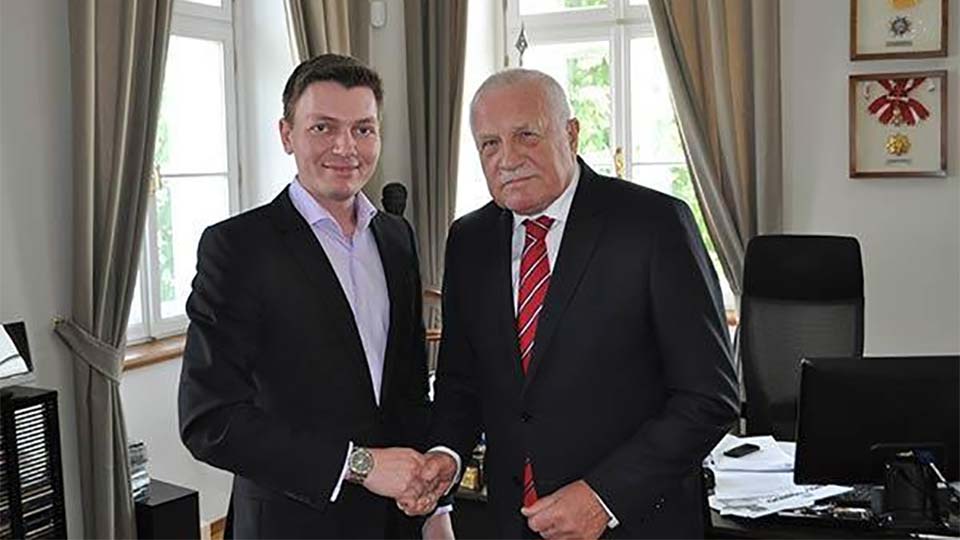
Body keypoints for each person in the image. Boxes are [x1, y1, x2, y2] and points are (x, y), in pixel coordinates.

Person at [415, 69, 740, 539]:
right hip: (512, 523)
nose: (508, 159)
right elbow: (461, 382)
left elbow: (709, 397)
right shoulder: (469, 240)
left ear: (571, 133)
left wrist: (603, 498)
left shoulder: (653, 225)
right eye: (489, 144)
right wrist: (447, 454)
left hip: (633, 522)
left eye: (526, 135)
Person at [178, 54, 451, 539]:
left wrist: (435, 509)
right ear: (287, 134)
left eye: (363, 129)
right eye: (323, 127)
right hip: (291, 524)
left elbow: (409, 391)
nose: (346, 147)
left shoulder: (397, 239)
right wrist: (361, 465)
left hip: (397, 523)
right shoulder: (238, 248)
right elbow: (210, 420)